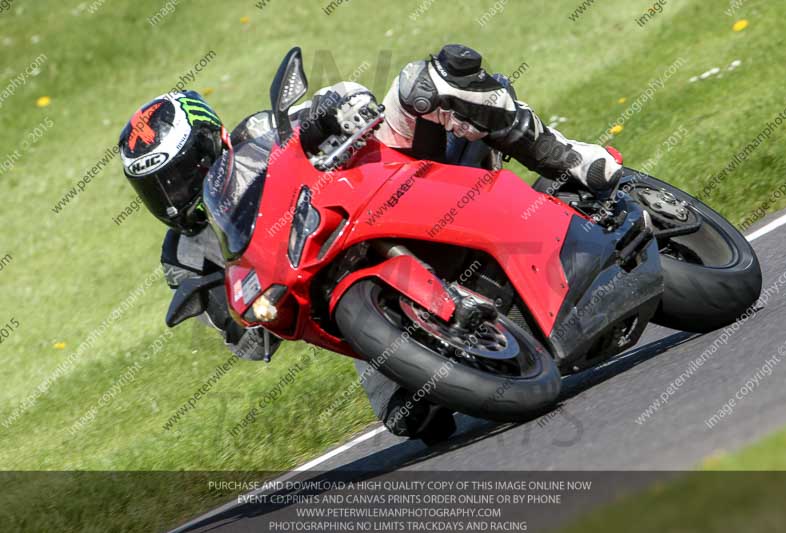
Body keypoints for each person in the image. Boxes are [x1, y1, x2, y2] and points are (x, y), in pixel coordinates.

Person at [118, 44, 622, 442]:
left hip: (391, 186)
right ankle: (446, 337)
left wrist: (340, 108)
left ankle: (571, 159)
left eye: (182, 173)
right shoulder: (184, 258)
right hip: (338, 280)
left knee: (424, 84)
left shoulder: (260, 132)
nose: (177, 194)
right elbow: (249, 340)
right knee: (414, 418)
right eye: (159, 188)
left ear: (214, 140)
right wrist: (236, 313)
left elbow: (340, 101)